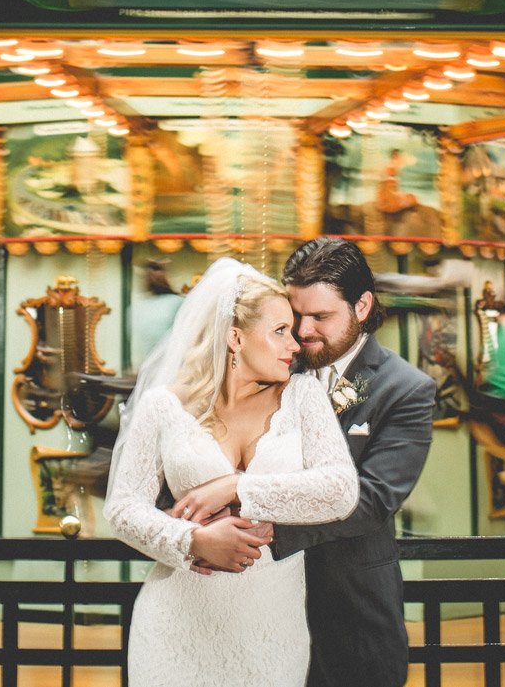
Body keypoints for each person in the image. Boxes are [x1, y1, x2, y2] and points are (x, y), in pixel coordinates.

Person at [104, 257, 359, 687]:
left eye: (292, 332)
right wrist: (193, 540)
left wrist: (238, 486)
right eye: (279, 331)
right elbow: (123, 508)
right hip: (174, 626)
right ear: (235, 338)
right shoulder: (165, 406)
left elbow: (340, 490)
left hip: (270, 631)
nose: (294, 345)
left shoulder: (302, 397)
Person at [272, 237, 436, 687]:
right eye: (295, 314)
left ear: (362, 306)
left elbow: (373, 501)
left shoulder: (406, 390)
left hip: (351, 608)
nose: (303, 331)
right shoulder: (271, 368)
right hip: (259, 602)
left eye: (321, 317)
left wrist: (269, 531)